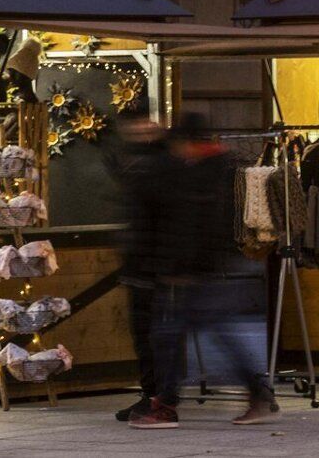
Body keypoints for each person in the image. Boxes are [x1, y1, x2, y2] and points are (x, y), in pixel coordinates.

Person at [135, 113, 278, 430]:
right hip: (202, 268)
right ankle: (174, 400)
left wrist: (182, 266)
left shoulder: (206, 175)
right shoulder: (209, 170)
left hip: (201, 270)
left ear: (189, 143)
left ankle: (169, 403)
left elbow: (198, 227)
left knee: (179, 334)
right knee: (190, 334)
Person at [104, 108, 175, 423]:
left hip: (151, 265)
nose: (140, 130)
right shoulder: (137, 162)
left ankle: (159, 398)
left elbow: (153, 218)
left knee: (151, 336)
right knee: (148, 335)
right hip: (144, 263)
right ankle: (155, 396)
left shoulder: (155, 165)